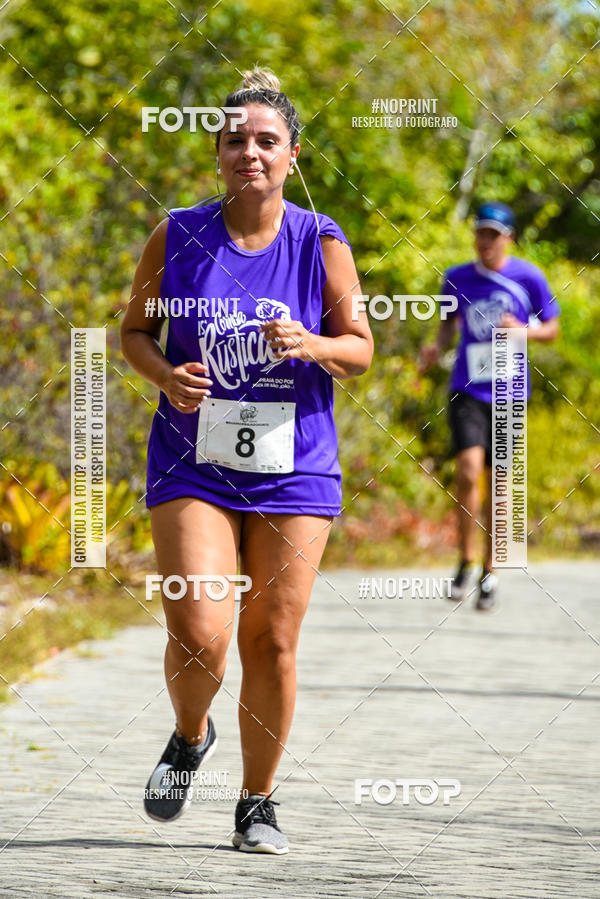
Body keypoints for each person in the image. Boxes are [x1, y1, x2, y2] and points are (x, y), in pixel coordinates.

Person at [120, 67, 373, 854]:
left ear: (293, 154)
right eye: (236, 140)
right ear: (217, 152)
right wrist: (166, 375)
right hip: (193, 457)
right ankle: (190, 735)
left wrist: (315, 343)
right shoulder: (178, 234)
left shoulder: (320, 238)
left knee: (272, 638)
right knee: (200, 628)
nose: (250, 153)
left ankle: (257, 801)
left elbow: (361, 348)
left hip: (295, 462)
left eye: (267, 141)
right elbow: (131, 332)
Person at [420, 202, 560, 610]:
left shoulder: (528, 277)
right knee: (466, 473)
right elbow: (448, 324)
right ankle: (464, 560)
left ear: (509, 238)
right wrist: (435, 348)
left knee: (501, 484)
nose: (485, 241)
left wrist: (526, 328)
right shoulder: (458, 277)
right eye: (481, 233)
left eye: (494, 235)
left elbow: (552, 328)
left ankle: (490, 570)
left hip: (509, 392)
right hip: (467, 387)